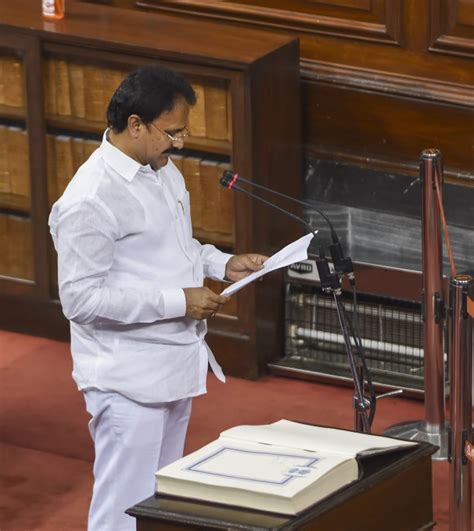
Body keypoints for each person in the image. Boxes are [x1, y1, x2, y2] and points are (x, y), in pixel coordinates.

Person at [48, 65, 267, 531]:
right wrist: (180, 301)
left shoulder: (161, 171)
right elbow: (81, 300)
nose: (181, 142)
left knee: (161, 505)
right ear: (135, 125)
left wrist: (220, 263)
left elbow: (175, 248)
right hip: (126, 378)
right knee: (123, 510)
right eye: (173, 132)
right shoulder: (91, 198)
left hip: (172, 364)